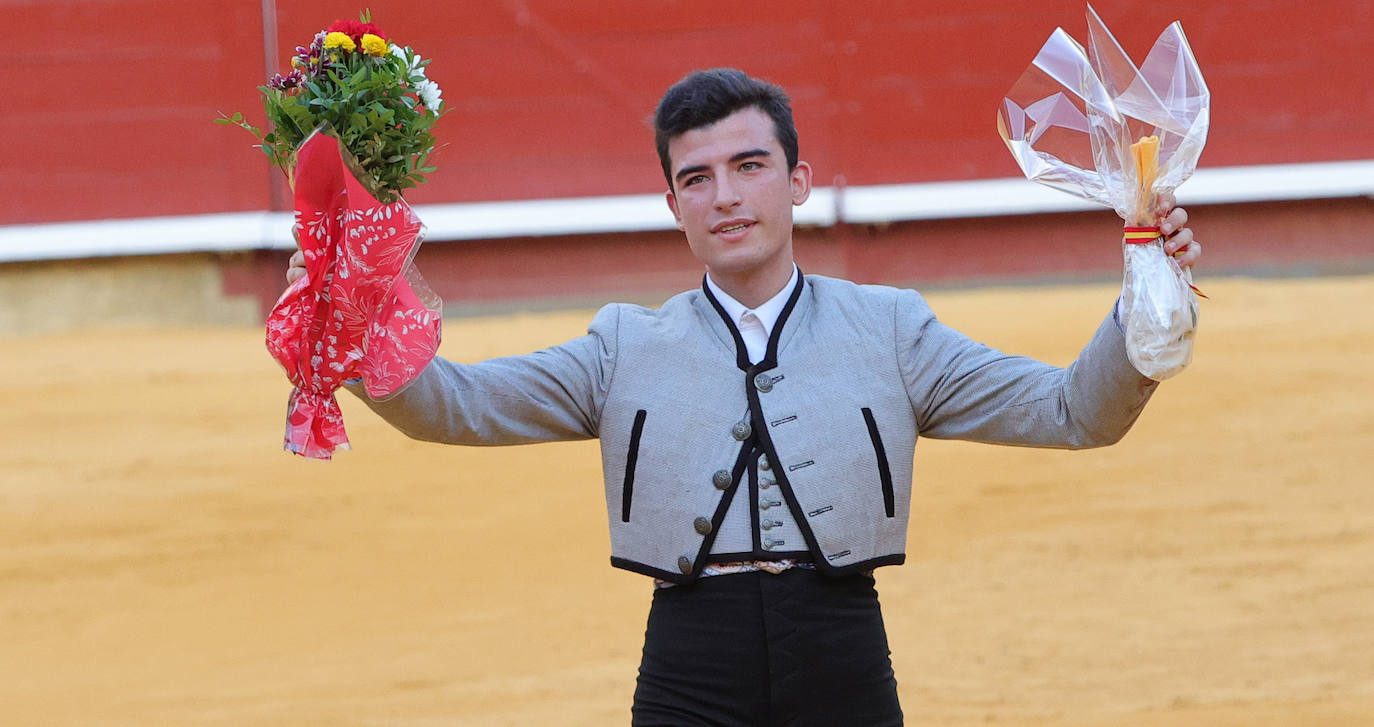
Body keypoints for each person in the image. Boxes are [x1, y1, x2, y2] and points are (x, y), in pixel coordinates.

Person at [286, 68, 1200, 726]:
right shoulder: (623, 345)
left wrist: (1145, 300)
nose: (725, 197)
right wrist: (354, 324)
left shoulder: (891, 329)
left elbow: (1074, 410)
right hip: (689, 661)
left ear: (797, 182)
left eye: (750, 166)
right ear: (672, 203)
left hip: (841, 648)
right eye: (697, 178)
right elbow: (456, 405)